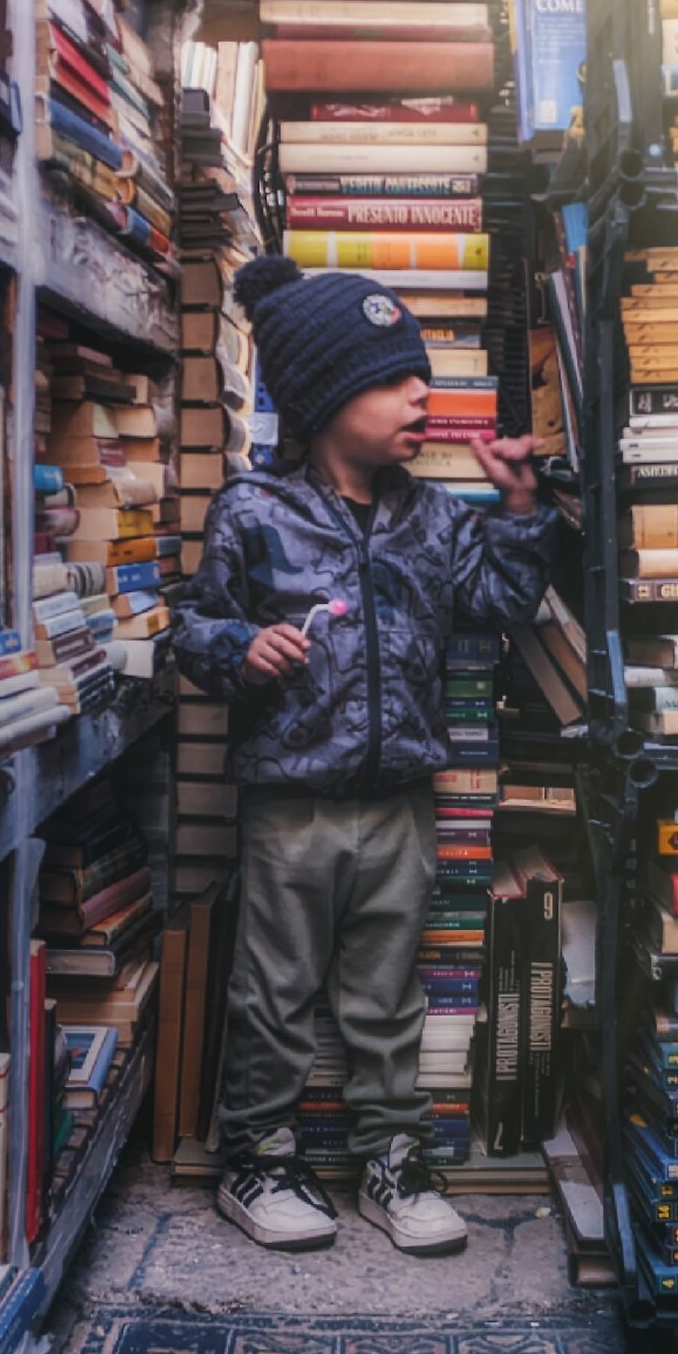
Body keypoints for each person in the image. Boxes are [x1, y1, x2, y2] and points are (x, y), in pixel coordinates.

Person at [173, 254, 555, 1255]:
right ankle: (257, 1158)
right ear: (323, 397)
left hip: (401, 804)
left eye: (422, 374)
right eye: (393, 379)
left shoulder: (433, 519)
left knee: (388, 997)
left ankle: (394, 1158)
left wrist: (520, 512)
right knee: (274, 993)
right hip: (289, 804)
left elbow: (502, 603)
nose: (421, 393)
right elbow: (192, 631)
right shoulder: (252, 511)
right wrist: (242, 647)